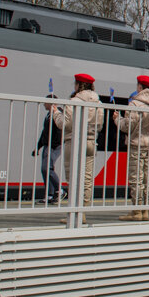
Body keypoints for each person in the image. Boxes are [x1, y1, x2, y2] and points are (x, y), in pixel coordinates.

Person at [50, 73, 103, 224]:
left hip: (74, 142)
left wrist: (55, 113)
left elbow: (64, 124)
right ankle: (83, 213)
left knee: (73, 177)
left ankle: (73, 212)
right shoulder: (98, 103)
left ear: (79, 85)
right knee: (86, 179)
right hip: (91, 142)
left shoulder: (73, 101)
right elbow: (99, 125)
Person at [113, 75, 149, 221]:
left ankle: (136, 211)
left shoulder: (134, 104)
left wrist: (118, 119)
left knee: (136, 178)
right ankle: (146, 210)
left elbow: (127, 126)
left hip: (137, 144)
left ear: (139, 87)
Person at [31, 94, 63, 204]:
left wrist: (53, 145)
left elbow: (60, 130)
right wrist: (38, 147)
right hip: (47, 145)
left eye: (45, 102)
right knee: (45, 169)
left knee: (46, 168)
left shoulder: (58, 113)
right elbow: (44, 132)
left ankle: (60, 190)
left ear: (51, 103)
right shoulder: (48, 115)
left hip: (54, 146)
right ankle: (50, 195)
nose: (44, 104)